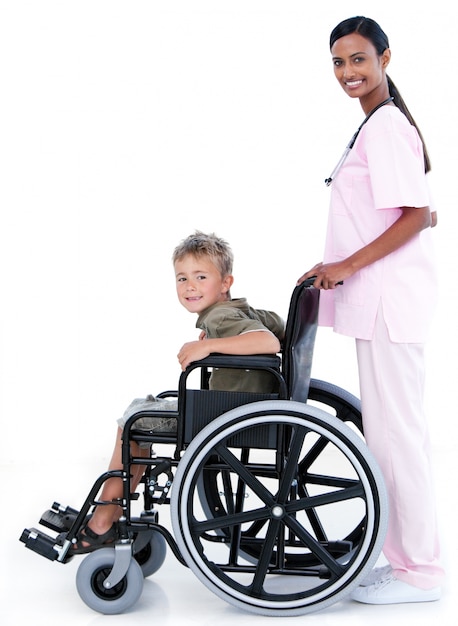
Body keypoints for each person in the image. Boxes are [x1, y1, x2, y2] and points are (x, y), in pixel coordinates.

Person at [297, 16, 445, 605]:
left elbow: (415, 214)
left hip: (389, 302)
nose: (348, 72)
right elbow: (408, 215)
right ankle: (404, 560)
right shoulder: (375, 126)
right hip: (380, 300)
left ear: (386, 58)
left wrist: (349, 266)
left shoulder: (385, 128)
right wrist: (330, 264)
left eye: (358, 59)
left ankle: (423, 573)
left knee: (397, 435)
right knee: (386, 434)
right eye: (338, 62)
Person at [71, 230, 284, 553]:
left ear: (226, 282)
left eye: (201, 276)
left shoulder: (222, 315)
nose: (190, 286)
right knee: (140, 412)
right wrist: (221, 348)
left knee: (133, 422)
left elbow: (269, 342)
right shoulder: (237, 309)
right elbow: (278, 324)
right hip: (234, 407)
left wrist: (211, 346)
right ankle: (111, 514)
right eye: (182, 279)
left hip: (223, 414)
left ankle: (103, 521)